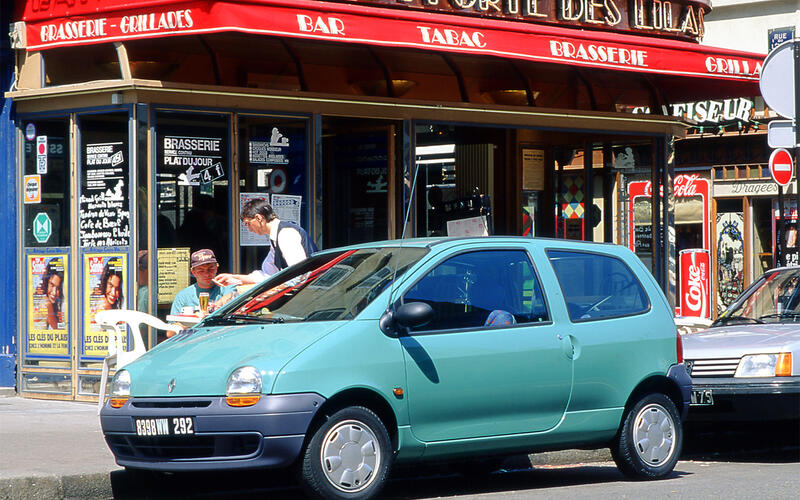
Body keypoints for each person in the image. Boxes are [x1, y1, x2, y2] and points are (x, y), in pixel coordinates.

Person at [215, 199, 316, 286]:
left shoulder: (286, 234)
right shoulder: (275, 238)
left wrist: (275, 290)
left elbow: (300, 275)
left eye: (248, 224)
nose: (249, 229)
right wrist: (234, 278)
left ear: (259, 218)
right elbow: (267, 274)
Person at [169, 249, 235, 334]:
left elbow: (231, 295)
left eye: (210, 269)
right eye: (201, 270)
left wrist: (217, 305)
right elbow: (170, 333)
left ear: (216, 268)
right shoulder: (183, 295)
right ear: (193, 272)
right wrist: (193, 320)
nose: (207, 274)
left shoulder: (226, 288)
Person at [42, 259, 64, 329]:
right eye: (52, 285)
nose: (54, 292)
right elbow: (57, 331)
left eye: (58, 288)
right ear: (46, 282)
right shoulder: (46, 303)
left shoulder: (55, 303)